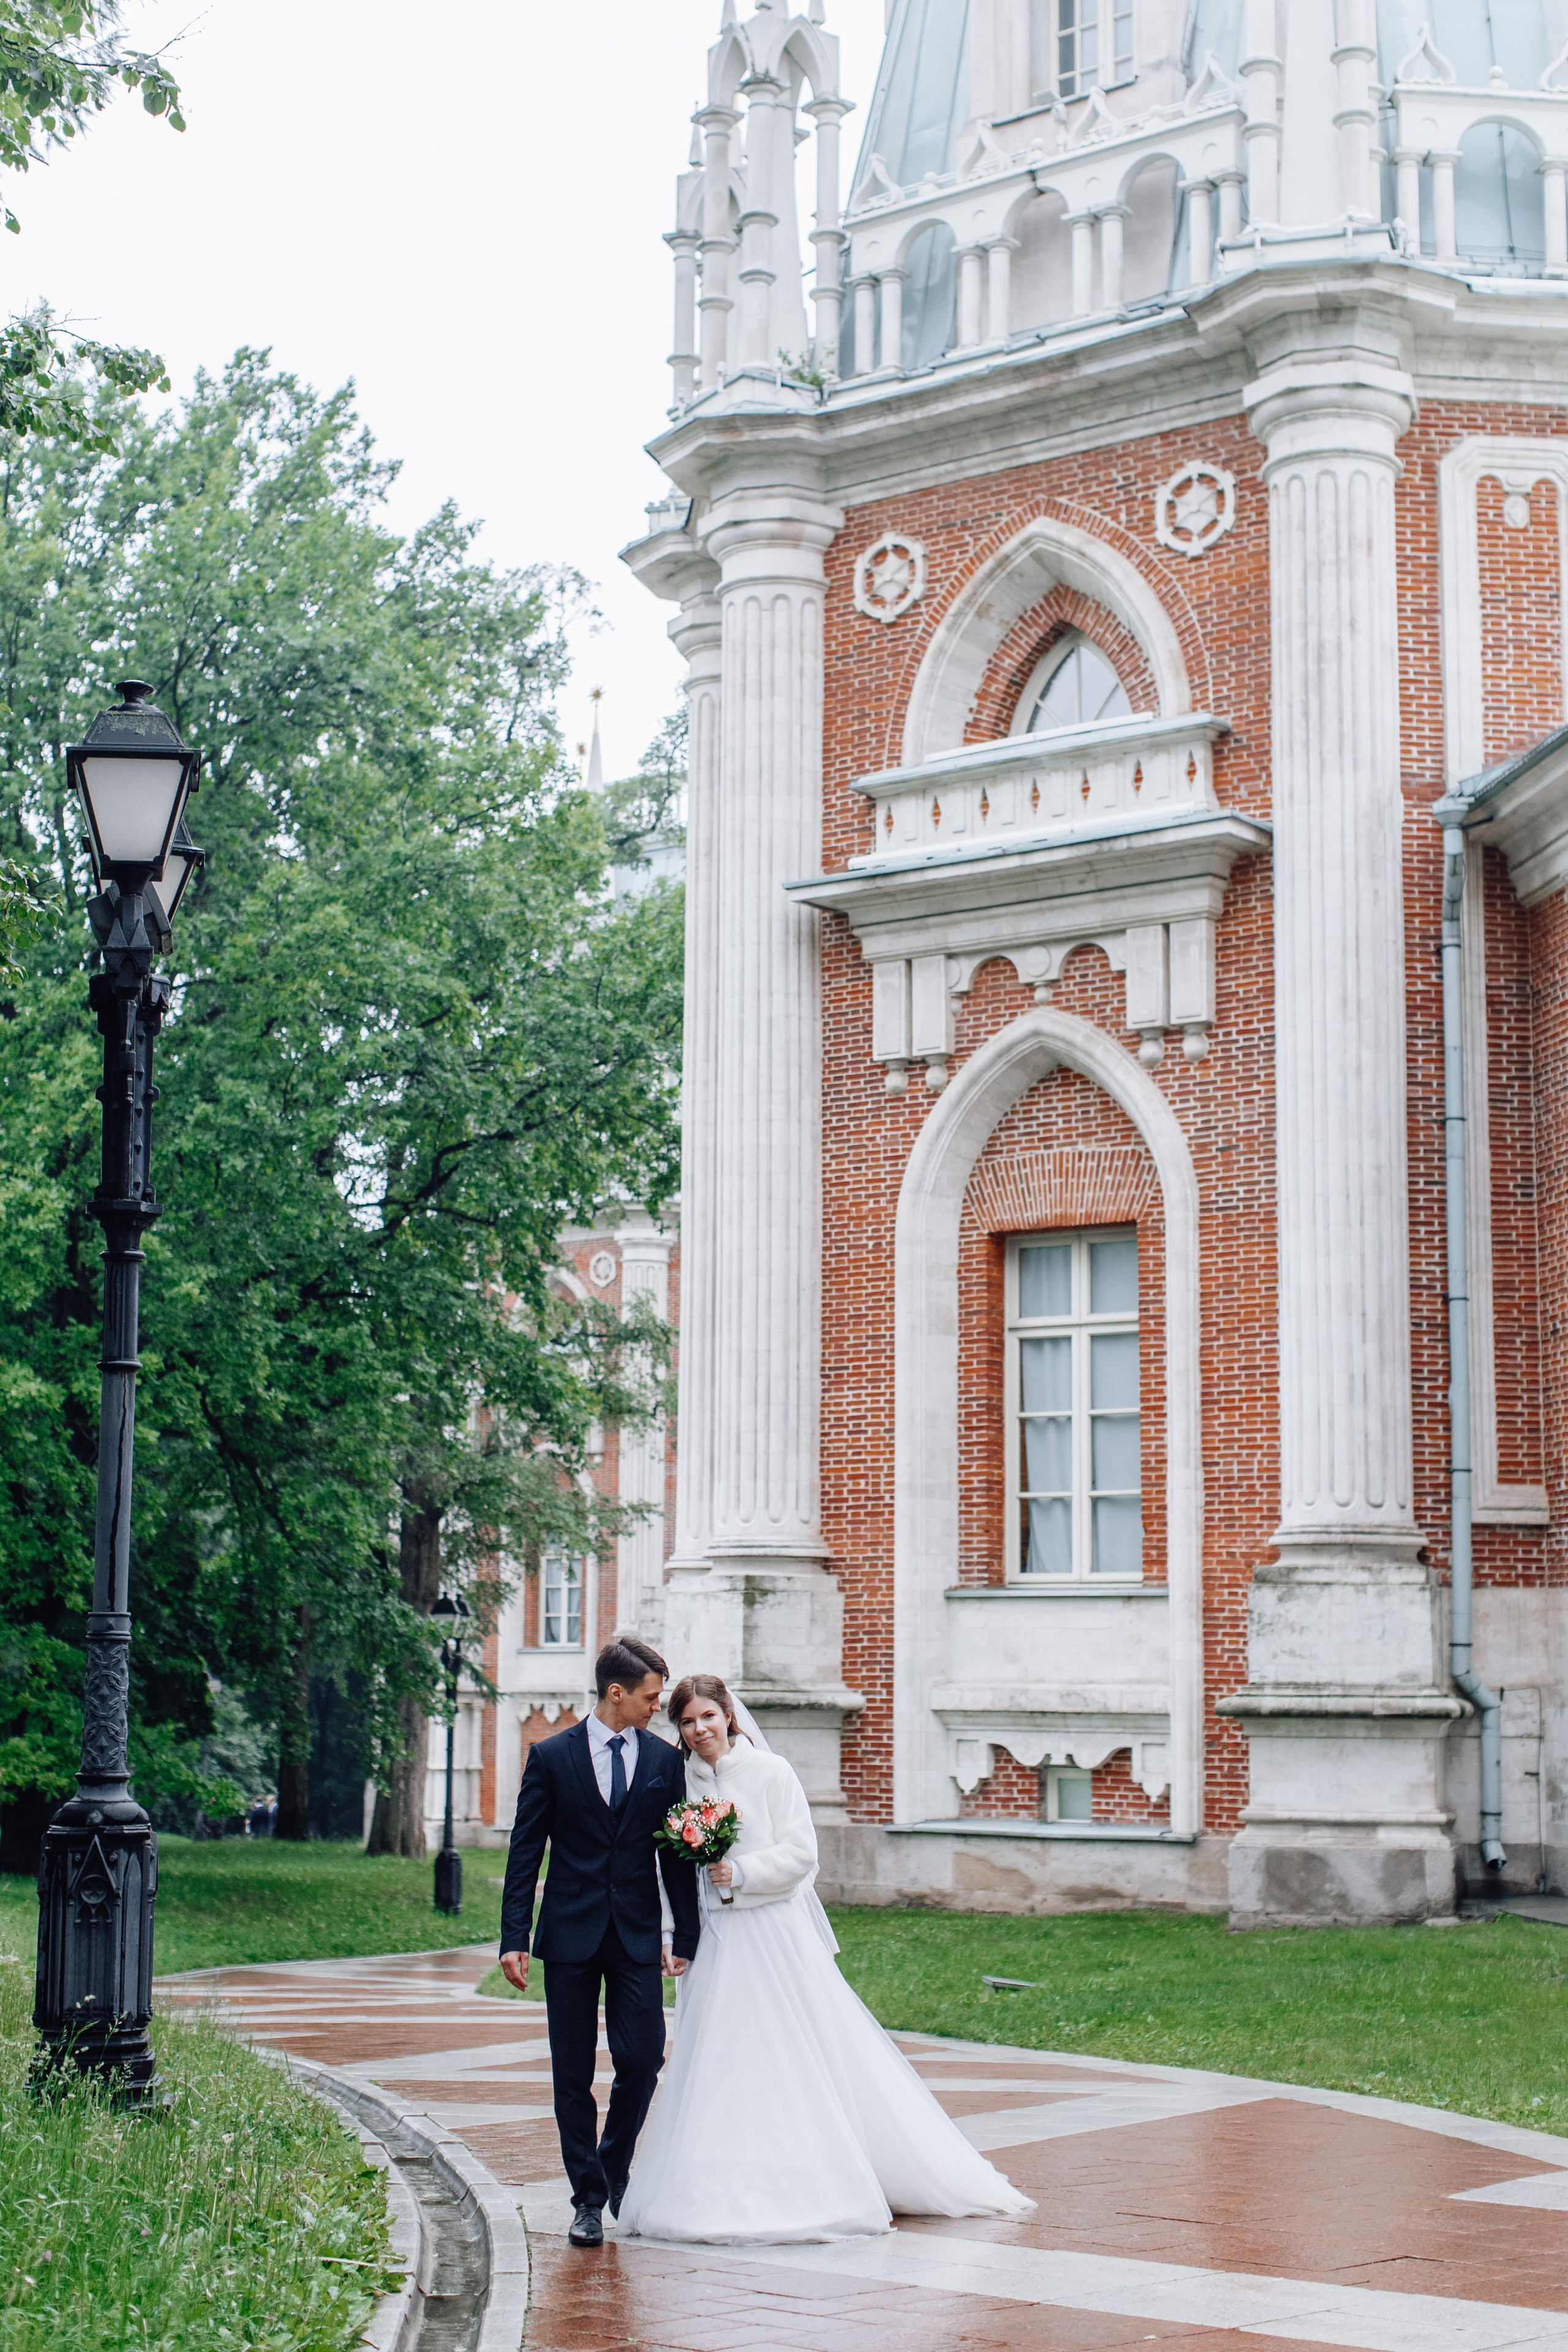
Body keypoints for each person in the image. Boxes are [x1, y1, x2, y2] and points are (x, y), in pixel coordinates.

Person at [618, 1672, 1033, 2244]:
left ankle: (822, 2170)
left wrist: (742, 1873)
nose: (700, 1730)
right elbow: (667, 1869)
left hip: (770, 1932)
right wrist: (673, 1932)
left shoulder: (771, 1772)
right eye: (687, 1722)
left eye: (708, 1716)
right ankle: (718, 2176)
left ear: (729, 1716)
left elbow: (802, 1854)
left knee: (788, 2047)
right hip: (713, 1939)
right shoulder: (679, 1782)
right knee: (720, 2053)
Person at [498, 1633, 699, 2248]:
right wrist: (513, 1936)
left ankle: (611, 2166)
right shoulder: (550, 1757)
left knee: (642, 2059)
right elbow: (525, 1851)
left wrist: (684, 1932)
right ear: (616, 1693)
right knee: (572, 2072)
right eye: (650, 1697)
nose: (657, 1707)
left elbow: (674, 1856)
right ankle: (587, 2200)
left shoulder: (664, 1762)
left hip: (636, 1933)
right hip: (568, 1935)